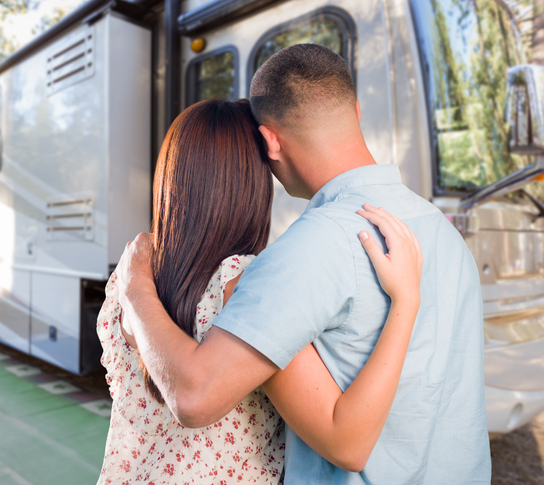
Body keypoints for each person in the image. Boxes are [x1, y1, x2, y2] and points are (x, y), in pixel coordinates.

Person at [116, 44, 491, 484]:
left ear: (270, 141)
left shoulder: (309, 249)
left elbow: (195, 396)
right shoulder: (442, 232)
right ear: (353, 108)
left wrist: (134, 289)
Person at [97, 98, 423, 484]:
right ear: (252, 185)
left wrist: (135, 284)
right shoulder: (243, 285)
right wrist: (406, 300)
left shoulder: (132, 275)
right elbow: (346, 442)